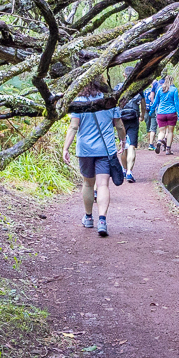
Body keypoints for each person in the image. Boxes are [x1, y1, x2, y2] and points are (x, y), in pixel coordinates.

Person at [62, 76, 125, 237]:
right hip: (106, 149)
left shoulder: (79, 101)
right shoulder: (110, 100)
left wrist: (65, 148)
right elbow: (119, 124)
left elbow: (73, 126)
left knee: (88, 184)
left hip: (85, 150)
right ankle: (102, 220)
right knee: (103, 185)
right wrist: (123, 140)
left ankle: (89, 218)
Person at [118, 67, 145, 183]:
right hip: (133, 119)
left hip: (121, 120)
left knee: (123, 145)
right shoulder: (138, 87)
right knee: (132, 146)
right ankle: (129, 172)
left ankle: (124, 169)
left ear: (124, 74)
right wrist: (142, 115)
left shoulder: (119, 87)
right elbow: (143, 104)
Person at [151, 78, 179, 155]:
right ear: (172, 81)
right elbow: (176, 102)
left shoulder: (160, 89)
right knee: (170, 131)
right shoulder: (174, 89)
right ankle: (168, 149)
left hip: (161, 113)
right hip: (171, 113)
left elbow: (155, 102)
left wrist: (151, 110)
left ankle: (159, 141)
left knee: (162, 131)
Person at [145, 76, 163, 151]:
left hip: (146, 110)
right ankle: (151, 143)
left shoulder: (146, 91)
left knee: (148, 127)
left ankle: (150, 142)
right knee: (153, 128)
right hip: (154, 110)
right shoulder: (157, 90)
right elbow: (155, 100)